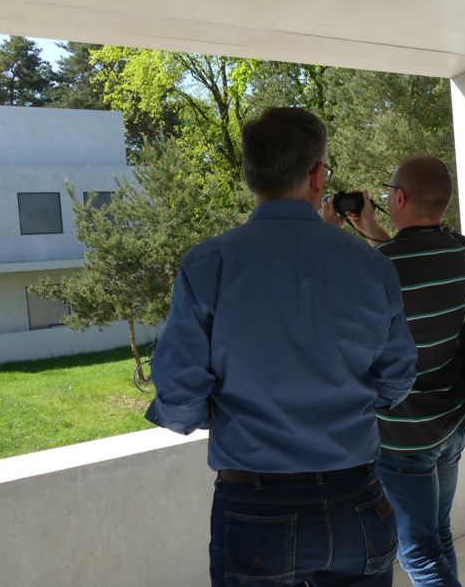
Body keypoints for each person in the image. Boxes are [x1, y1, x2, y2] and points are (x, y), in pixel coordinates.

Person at [145, 107, 418, 586]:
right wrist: (344, 403)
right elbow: (397, 378)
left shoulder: (209, 264)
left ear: (251, 174)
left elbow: (179, 392)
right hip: (355, 499)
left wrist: (215, 414)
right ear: (317, 175)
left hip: (255, 506)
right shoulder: (372, 266)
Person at [323, 154, 465, 587]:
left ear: (401, 198)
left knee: (418, 553)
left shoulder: (383, 265)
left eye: (389, 191)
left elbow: (339, 318)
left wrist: (330, 236)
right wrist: (372, 230)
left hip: (403, 433)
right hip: (449, 422)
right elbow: (407, 271)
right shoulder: (459, 252)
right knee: (437, 533)